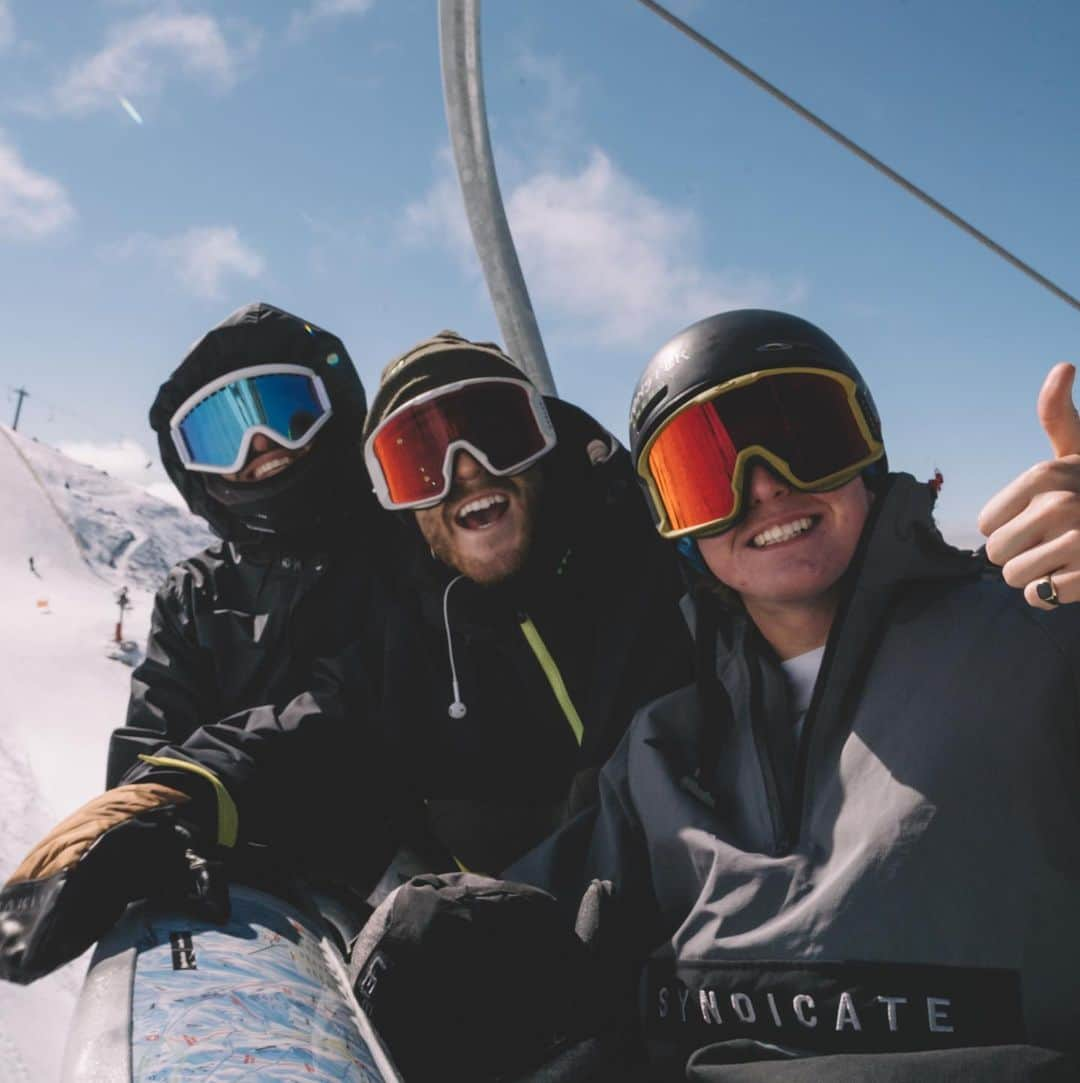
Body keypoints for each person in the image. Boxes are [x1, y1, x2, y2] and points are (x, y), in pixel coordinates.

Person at [0, 329, 693, 987]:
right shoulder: (410, 634)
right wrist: (158, 803)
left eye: (498, 430)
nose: (466, 470)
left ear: (546, 444)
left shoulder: (655, 562)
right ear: (403, 511)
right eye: (420, 462)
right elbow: (297, 734)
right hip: (536, 959)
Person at [507, 309, 1080, 1079]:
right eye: (707, 473)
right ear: (675, 526)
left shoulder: (1038, 637)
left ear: (868, 454)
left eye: (806, 438)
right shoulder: (661, 748)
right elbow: (528, 925)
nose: (766, 485)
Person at [105, 301, 385, 789]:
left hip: (407, 851)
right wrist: (138, 816)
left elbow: (363, 706)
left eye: (286, 413)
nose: (260, 444)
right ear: (194, 465)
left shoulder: (400, 548)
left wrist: (204, 778)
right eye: (221, 435)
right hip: (233, 852)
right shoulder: (195, 594)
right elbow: (149, 742)